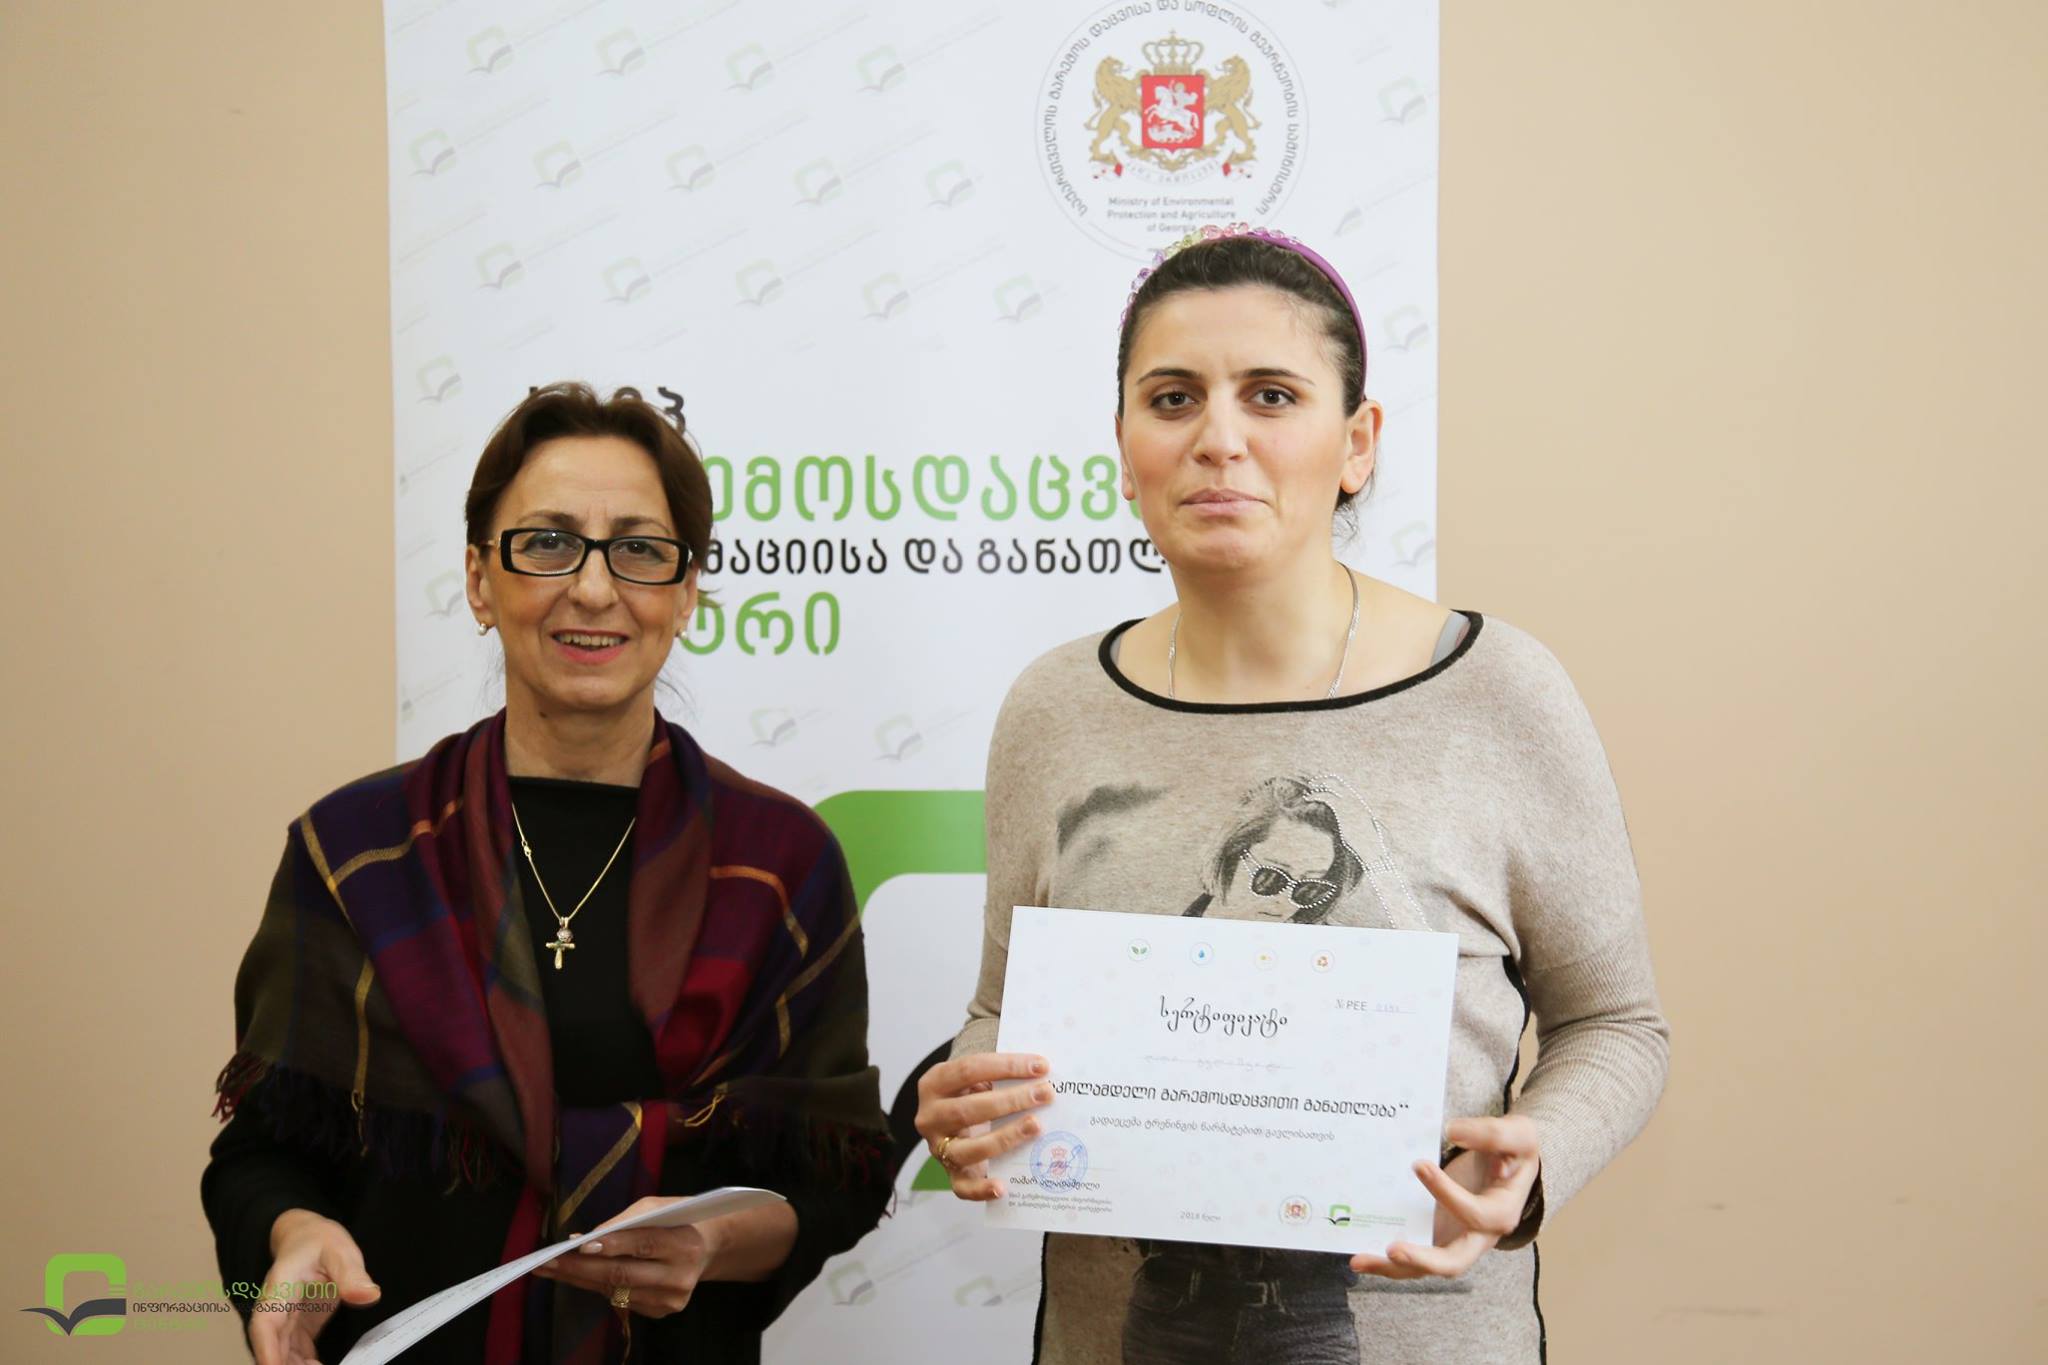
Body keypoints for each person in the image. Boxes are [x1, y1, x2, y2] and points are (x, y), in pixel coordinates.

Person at [915, 226, 1671, 1363]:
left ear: (1356, 443)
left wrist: (1535, 1155)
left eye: (1270, 395)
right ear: (1124, 447)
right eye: (1172, 398)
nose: (1218, 438)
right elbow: (998, 1011)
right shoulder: (1053, 707)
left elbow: (1616, 1024)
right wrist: (969, 1101)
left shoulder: (1498, 693)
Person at [202, 384, 891, 1364]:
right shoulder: (355, 853)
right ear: (480, 580)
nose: (595, 589)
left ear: (686, 592)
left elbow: (836, 1180)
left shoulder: (780, 862)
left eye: (639, 550)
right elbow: (260, 1155)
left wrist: (712, 1241)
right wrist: (291, 1236)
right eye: (549, 543)